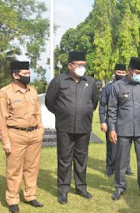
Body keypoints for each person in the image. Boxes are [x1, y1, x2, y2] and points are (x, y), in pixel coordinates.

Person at [45, 52, 99, 204]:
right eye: (78, 64)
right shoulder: (59, 81)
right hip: (65, 127)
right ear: (69, 66)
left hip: (84, 127)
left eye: (84, 65)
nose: (82, 67)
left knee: (81, 159)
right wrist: (63, 112)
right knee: (64, 159)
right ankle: (63, 190)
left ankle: (81, 187)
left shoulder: (90, 82)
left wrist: (84, 112)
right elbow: (50, 102)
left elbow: (94, 103)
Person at [0, 61, 44, 213]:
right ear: (15, 75)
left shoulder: (33, 91)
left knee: (32, 168)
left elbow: (38, 112)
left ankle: (30, 196)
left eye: (29, 73)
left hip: (34, 134)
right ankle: (12, 200)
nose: (28, 76)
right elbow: (1, 119)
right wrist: (5, 141)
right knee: (14, 170)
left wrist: (40, 130)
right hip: (15, 135)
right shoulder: (5, 92)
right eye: (25, 74)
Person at [108, 57, 140, 201]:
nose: (139, 75)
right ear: (129, 71)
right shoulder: (117, 86)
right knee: (121, 161)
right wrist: (112, 128)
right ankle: (120, 187)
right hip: (123, 130)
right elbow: (112, 109)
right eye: (137, 72)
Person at [99, 63, 133, 177]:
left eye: (124, 73)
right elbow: (102, 106)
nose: (121, 75)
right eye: (119, 73)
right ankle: (110, 167)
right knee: (111, 146)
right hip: (111, 120)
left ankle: (126, 167)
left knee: (126, 144)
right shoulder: (108, 88)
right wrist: (103, 121)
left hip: (125, 121)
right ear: (115, 73)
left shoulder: (129, 87)